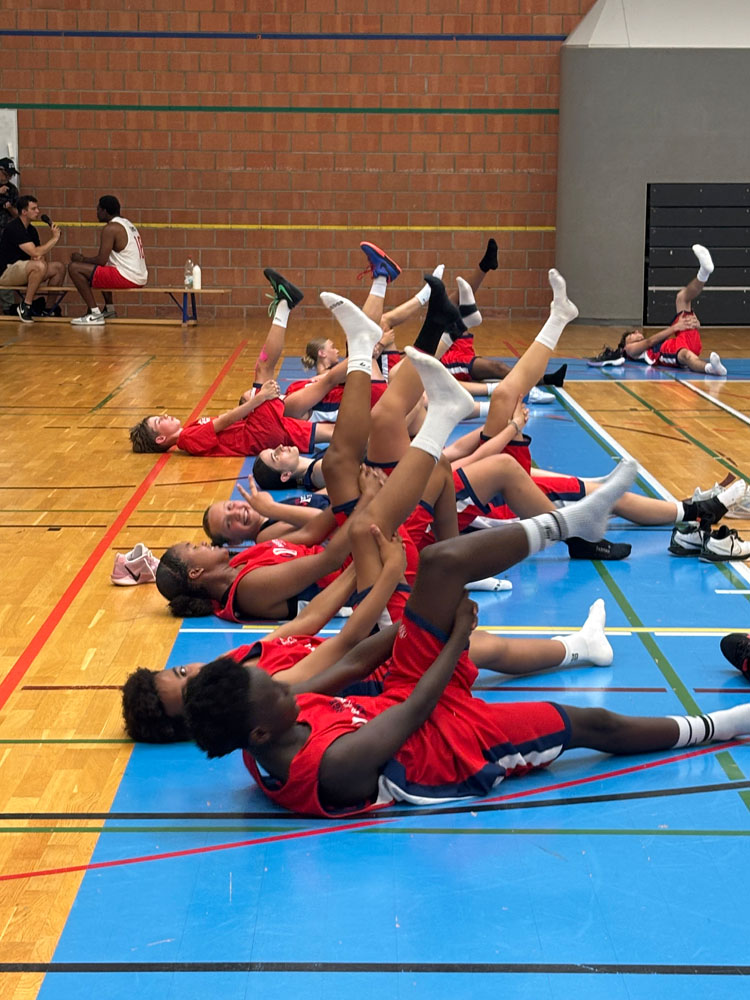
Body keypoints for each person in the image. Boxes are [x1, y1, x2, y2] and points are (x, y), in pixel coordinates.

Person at [184, 457, 750, 817]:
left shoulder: (269, 721)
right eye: (275, 691)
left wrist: (414, 625)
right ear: (260, 730)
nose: (283, 685)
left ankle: (572, 523)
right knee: (589, 723)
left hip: (403, 695)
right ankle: (718, 726)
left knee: (439, 564)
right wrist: (453, 636)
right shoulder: (327, 768)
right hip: (444, 747)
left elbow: (353, 664)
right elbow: (416, 713)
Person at [587, 245, 726, 376]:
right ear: (625, 343)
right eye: (632, 334)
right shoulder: (629, 350)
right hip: (666, 351)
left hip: (679, 341)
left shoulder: (642, 345)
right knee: (686, 355)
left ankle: (704, 272)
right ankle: (711, 369)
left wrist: (694, 322)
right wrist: (674, 327)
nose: (637, 332)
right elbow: (650, 342)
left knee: (682, 298)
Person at [67, 195, 148, 325]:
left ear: (105, 211)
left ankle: (94, 313)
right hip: (139, 275)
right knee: (104, 269)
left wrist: (81, 259)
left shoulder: (111, 228)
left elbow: (101, 260)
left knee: (74, 268)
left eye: (98, 209)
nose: (97, 213)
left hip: (128, 277)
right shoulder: (127, 223)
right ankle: (109, 309)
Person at [0, 195, 66, 323]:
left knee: (59, 267)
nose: (38, 211)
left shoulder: (31, 230)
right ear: (24, 212)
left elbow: (38, 253)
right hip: (7, 271)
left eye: (37, 208)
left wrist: (40, 258)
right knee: (38, 266)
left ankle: (48, 309)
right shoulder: (14, 227)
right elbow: (34, 251)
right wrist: (54, 239)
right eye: (34, 209)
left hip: (23, 269)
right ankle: (26, 306)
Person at [0, 157, 19, 315]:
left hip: (4, 236)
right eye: (6, 174)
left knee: (4, 270)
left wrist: (9, 207)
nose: (9, 178)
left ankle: (7, 307)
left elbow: (17, 214)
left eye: (11, 175)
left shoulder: (12, 190)